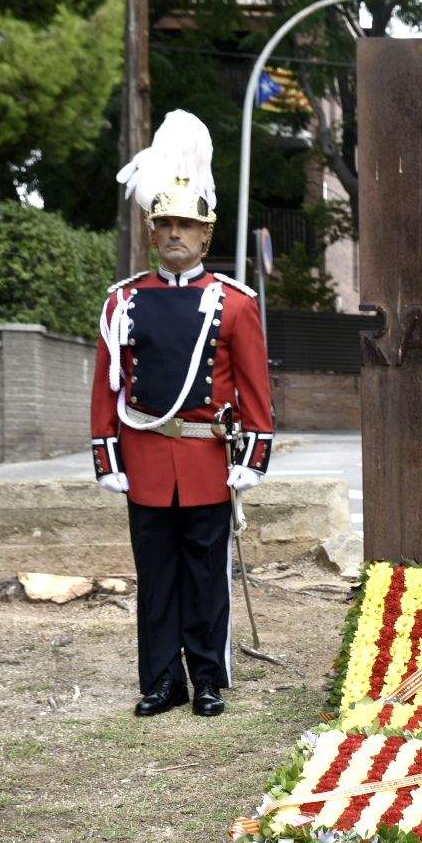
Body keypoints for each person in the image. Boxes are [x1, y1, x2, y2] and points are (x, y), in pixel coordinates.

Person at [92, 110, 275, 717]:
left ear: (206, 235)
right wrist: (106, 455)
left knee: (206, 578)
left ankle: (208, 679)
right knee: (156, 580)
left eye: (186, 226)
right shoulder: (123, 301)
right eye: (165, 223)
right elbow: (107, 387)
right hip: (144, 457)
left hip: (205, 458)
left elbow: (254, 391)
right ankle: (160, 682)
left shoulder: (234, 303)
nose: (175, 234)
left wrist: (253, 456)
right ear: (153, 232)